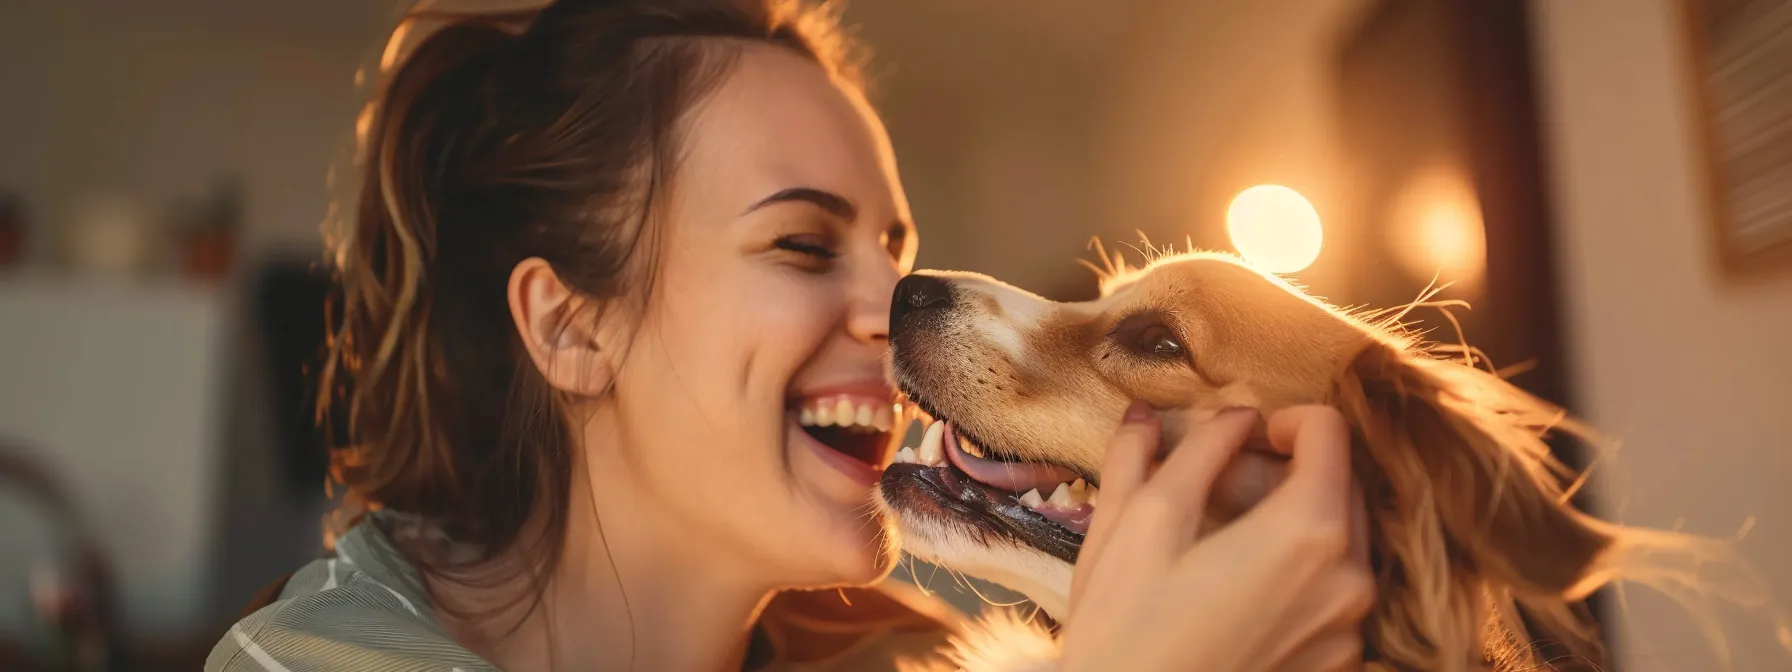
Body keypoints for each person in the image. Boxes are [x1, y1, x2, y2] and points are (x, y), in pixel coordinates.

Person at [206, 1, 1374, 670]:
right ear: (569, 328)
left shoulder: (912, 656)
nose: (891, 305)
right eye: (805, 248)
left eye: (891, 249)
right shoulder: (310, 668)